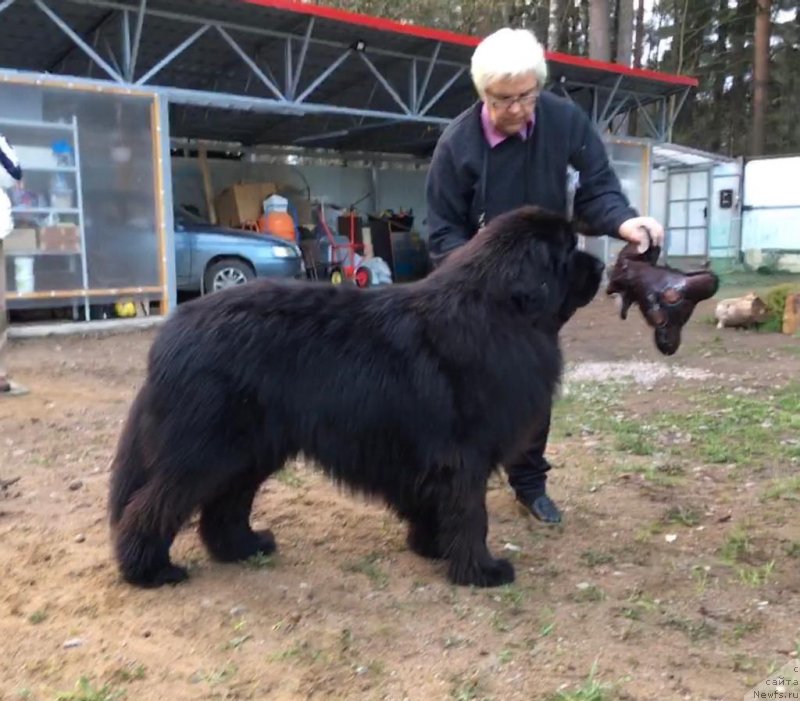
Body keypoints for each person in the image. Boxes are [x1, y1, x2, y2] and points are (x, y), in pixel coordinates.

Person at [424, 27, 665, 524]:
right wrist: (478, 272)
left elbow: (597, 189)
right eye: (502, 99)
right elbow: (442, 233)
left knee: (532, 384)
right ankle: (452, 483)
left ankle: (529, 483)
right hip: (481, 300)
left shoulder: (563, 121)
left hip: (545, 290)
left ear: (539, 86)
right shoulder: (457, 146)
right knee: (467, 395)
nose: (515, 109)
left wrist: (625, 221)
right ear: (482, 93)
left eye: (525, 96)